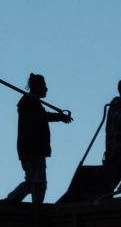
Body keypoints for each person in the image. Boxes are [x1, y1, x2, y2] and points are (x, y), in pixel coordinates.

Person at [6, 73, 72, 204]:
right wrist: (60, 117)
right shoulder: (29, 102)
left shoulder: (30, 102)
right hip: (33, 148)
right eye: (44, 86)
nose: (46, 89)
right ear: (37, 86)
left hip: (31, 149)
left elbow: (42, 116)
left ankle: (11, 201)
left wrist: (60, 117)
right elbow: (41, 117)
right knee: (38, 182)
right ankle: (34, 207)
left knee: (33, 181)